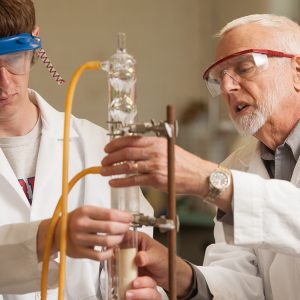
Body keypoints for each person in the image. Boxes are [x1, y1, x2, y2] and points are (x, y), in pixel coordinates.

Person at [101, 14, 300, 299]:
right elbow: (245, 285)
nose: (228, 88)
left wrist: (209, 180)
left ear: (297, 71)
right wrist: (177, 275)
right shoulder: (237, 165)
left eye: (244, 68)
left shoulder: (226, 175)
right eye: (219, 79)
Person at [0, 1, 159, 299]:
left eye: (13, 58)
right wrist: (49, 237)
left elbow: (136, 261)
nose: (3, 81)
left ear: (35, 43)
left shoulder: (96, 145)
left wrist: (141, 290)